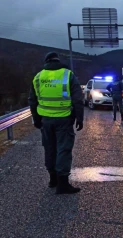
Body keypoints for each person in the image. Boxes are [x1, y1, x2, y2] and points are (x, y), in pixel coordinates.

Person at [28, 52, 84, 194]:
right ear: (58, 61)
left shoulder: (38, 77)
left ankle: (53, 179)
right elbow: (78, 98)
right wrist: (79, 118)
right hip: (64, 119)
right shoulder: (68, 75)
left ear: (46, 62)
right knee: (63, 149)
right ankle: (63, 184)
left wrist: (36, 119)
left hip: (45, 120)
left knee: (50, 148)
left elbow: (32, 100)